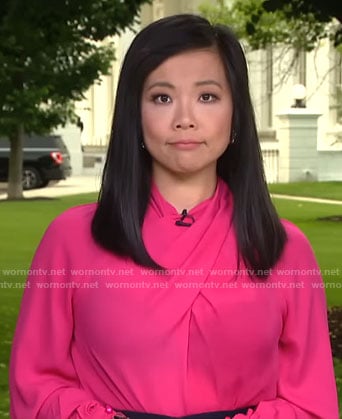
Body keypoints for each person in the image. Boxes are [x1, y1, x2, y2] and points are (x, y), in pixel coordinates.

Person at [9, 14, 339, 419]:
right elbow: (35, 383)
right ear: (136, 113)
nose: (185, 117)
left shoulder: (285, 251)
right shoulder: (71, 239)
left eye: (207, 97)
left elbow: (312, 403)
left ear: (236, 114)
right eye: (162, 97)